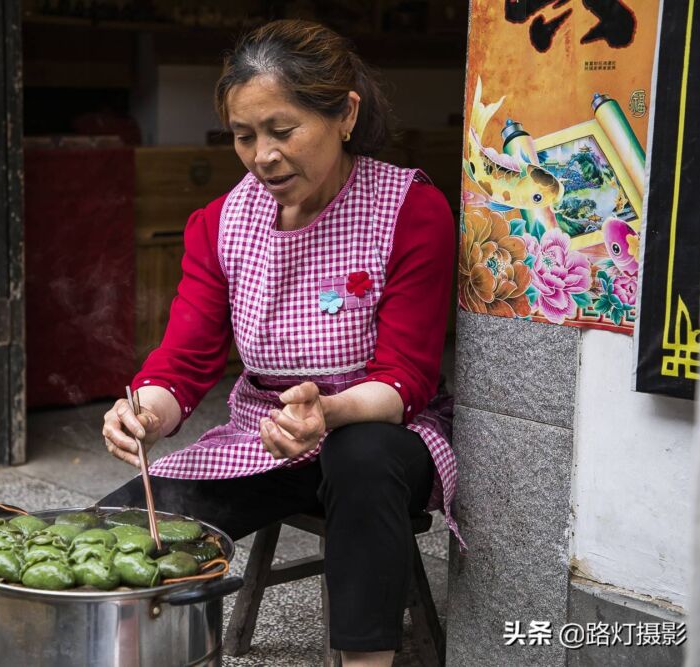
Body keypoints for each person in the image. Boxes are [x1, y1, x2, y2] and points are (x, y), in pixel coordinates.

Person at [100, 19, 463, 667]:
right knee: (117, 529)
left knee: (362, 456)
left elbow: (408, 374)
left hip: (381, 428)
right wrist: (146, 411)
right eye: (244, 135)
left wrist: (329, 412)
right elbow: (183, 362)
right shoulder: (220, 223)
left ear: (345, 113)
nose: (261, 154)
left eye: (282, 130)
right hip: (264, 438)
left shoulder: (410, 210)